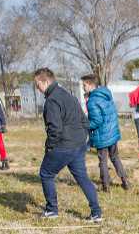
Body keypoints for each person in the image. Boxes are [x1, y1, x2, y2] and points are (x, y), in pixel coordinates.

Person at [33, 68, 102, 222]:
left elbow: (55, 129)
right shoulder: (68, 95)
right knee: (82, 177)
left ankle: (52, 209)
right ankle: (96, 213)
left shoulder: (52, 101)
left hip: (63, 145)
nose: (36, 87)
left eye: (37, 84)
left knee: (46, 173)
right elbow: (85, 121)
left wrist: (50, 147)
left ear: (45, 81)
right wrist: (83, 138)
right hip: (78, 144)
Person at [81, 74, 129, 192]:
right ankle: (125, 181)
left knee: (103, 161)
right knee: (115, 157)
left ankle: (105, 185)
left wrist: (85, 125)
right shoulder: (106, 95)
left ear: (90, 85)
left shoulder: (92, 101)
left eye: (84, 85)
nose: (83, 88)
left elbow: (97, 121)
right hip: (112, 132)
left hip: (101, 135)